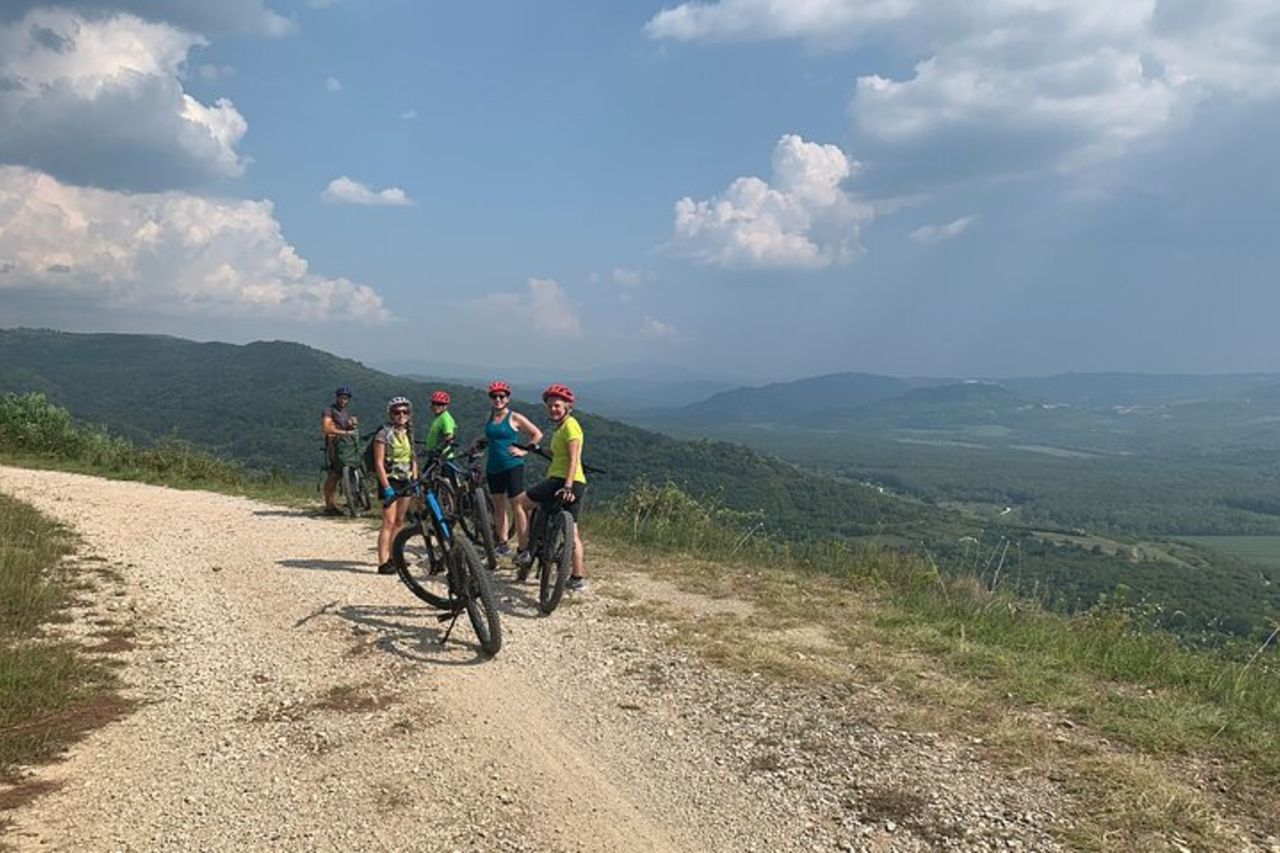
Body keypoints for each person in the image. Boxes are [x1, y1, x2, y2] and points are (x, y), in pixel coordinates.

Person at [514, 384, 588, 591]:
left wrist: (566, 486)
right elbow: (559, 454)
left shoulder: (570, 426)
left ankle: (524, 550)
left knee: (520, 503)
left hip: (561, 480)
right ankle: (577, 578)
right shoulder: (563, 428)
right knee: (572, 532)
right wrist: (538, 449)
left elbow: (573, 458)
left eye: (557, 405)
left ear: (568, 406)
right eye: (550, 406)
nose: (553, 409)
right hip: (577, 483)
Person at [483, 381, 542, 556]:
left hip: (512, 466)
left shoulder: (514, 417)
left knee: (517, 505)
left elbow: (537, 434)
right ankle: (502, 543)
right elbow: (491, 437)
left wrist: (525, 450)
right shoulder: (491, 417)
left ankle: (524, 547)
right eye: (494, 396)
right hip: (493, 467)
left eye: (502, 396)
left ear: (508, 398)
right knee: (498, 507)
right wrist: (476, 443)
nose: (498, 399)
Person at [373, 396, 418, 575]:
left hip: (405, 480)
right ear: (390, 414)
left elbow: (412, 458)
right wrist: (386, 486)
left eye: (405, 412)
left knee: (399, 521)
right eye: (397, 412)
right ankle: (383, 562)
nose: (401, 415)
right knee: (388, 522)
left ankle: (395, 556)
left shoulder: (409, 432)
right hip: (390, 480)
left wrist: (415, 479)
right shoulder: (383, 434)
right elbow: (378, 462)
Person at [321, 386, 359, 516]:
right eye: (341, 398)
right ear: (336, 397)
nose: (343, 400)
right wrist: (346, 432)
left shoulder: (345, 412)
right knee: (333, 474)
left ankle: (354, 497)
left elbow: (348, 427)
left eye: (346, 398)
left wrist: (352, 424)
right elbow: (326, 428)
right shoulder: (329, 410)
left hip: (346, 446)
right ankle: (329, 506)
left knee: (349, 468)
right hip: (333, 446)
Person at [424, 390, 456, 457]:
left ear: (446, 406)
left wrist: (439, 449)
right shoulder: (439, 418)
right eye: (433, 403)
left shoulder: (445, 418)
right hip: (434, 456)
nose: (436, 406)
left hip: (442, 458)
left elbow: (449, 437)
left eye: (439, 404)